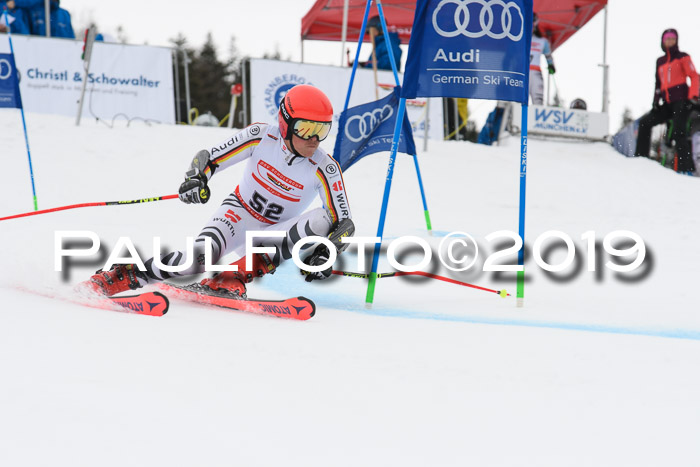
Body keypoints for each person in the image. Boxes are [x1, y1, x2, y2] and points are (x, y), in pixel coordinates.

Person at [84, 85, 355, 298]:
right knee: (198, 259)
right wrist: (197, 179)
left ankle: (230, 278)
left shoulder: (325, 168)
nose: (314, 139)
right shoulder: (262, 136)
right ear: (286, 123)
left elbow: (343, 222)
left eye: (322, 130)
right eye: (306, 128)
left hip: (274, 234)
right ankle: (122, 275)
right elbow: (209, 158)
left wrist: (326, 252)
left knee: (322, 219)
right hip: (237, 215)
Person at [634, 29, 699, 173]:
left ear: (676, 41)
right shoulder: (660, 61)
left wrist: (693, 96)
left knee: (678, 132)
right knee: (645, 123)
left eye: (673, 38)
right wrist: (656, 101)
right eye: (667, 38)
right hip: (667, 103)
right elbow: (657, 83)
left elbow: (694, 76)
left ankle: (686, 169)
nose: (670, 41)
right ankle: (640, 159)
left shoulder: (683, 57)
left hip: (681, 101)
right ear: (663, 41)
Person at [529, 14, 555, 106]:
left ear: (535, 24)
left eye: (532, 23)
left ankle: (534, 119)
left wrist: (551, 65)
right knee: (518, 101)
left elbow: (548, 55)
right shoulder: (520, 38)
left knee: (538, 101)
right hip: (522, 73)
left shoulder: (542, 41)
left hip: (536, 73)